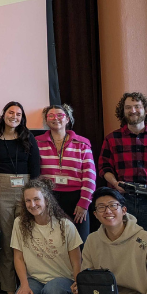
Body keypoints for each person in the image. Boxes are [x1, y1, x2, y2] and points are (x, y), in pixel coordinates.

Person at [98, 92, 147, 246]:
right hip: (122, 200)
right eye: (128, 107)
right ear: (123, 111)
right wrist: (115, 183)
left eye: (137, 107)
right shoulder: (111, 139)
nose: (132, 110)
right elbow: (104, 167)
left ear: (146, 110)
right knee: (123, 248)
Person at [0, 101, 41, 294]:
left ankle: (30, 291)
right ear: (4, 115)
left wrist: (35, 195)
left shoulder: (29, 137)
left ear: (22, 117)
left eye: (18, 114)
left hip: (27, 192)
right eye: (11, 112)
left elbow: (35, 168)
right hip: (0, 191)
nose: (14, 117)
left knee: (28, 243)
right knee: (8, 245)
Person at [9, 178, 81, 294]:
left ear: (47, 200)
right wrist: (24, 285)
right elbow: (18, 258)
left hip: (61, 281)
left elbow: (77, 259)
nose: (32, 204)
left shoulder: (65, 225)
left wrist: (77, 283)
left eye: (36, 199)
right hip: (35, 279)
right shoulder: (19, 223)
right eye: (28, 201)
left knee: (53, 291)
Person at [36, 104, 96, 243]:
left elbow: (90, 176)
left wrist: (84, 203)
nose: (55, 118)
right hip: (49, 198)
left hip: (76, 200)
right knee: (53, 242)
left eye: (59, 115)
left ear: (67, 119)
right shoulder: (37, 143)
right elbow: (35, 173)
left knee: (79, 242)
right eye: (51, 116)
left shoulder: (82, 144)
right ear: (46, 120)